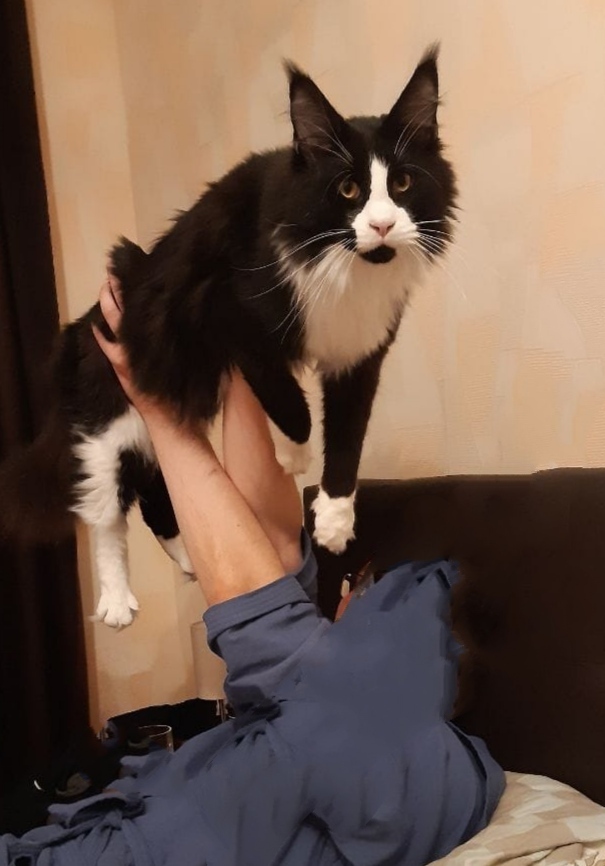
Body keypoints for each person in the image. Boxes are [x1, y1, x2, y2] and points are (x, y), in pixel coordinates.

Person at [1, 275, 504, 866]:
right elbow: (268, 540)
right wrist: (241, 348)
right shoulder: (313, 712)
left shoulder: (418, 761)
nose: (346, 595)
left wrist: (157, 404)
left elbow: (260, 616)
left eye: (366, 592)